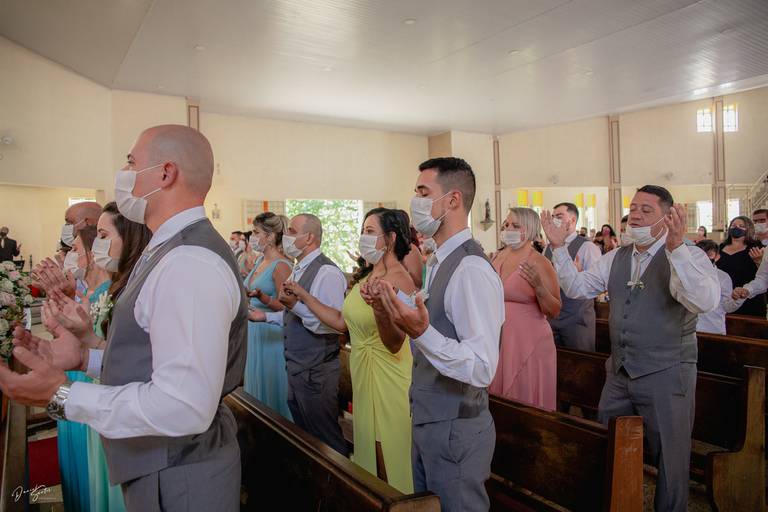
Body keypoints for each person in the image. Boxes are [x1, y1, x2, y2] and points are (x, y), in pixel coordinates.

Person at [0, 124, 248, 511]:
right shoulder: (166, 249)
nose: (124, 173)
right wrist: (86, 358)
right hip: (162, 462)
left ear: (166, 173)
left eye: (131, 162)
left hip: (180, 472)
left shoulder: (188, 261)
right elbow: (154, 359)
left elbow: (183, 404)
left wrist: (62, 394)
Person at [541, 185, 719, 512]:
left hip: (667, 371)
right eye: (633, 208)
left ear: (667, 218)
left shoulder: (689, 254)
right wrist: (558, 248)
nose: (635, 215)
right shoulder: (617, 257)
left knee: (670, 457)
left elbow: (704, 301)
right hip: (621, 371)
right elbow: (578, 287)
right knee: (609, 445)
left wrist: (676, 248)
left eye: (646, 210)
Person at [365, 157, 504, 512]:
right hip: (430, 418)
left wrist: (422, 332)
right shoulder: (439, 260)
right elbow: (440, 320)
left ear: (453, 200)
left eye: (423, 193)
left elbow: (482, 366)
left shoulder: (471, 268)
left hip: (456, 427)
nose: (416, 202)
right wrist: (388, 302)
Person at [284, 208, 416, 492]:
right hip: (362, 370)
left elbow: (396, 342)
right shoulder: (369, 275)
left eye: (370, 231)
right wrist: (303, 296)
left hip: (387, 373)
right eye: (362, 231)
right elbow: (341, 321)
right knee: (368, 453)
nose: (362, 237)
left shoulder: (399, 279)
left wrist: (380, 308)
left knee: (387, 454)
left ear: (391, 238)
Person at [44, 201, 152, 512]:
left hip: (123, 399)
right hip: (102, 385)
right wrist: (80, 337)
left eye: (104, 236)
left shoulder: (132, 291)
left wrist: (86, 345)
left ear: (130, 238)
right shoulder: (118, 287)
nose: (95, 247)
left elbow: (137, 361)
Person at [250, 213, 349, 456]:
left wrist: (295, 305)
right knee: (305, 438)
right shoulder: (299, 269)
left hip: (316, 369)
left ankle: (336, 481)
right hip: (297, 366)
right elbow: (293, 315)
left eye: (292, 231)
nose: (286, 236)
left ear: (310, 238)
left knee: (326, 440)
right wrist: (266, 317)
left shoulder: (327, 272)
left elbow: (331, 325)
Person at [491, 208, 560, 409]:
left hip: (528, 341)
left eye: (515, 225)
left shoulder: (539, 262)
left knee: (524, 397)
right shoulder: (497, 257)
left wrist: (539, 287)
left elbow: (554, 309)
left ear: (529, 229)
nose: (508, 229)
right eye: (506, 224)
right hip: (499, 338)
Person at [243, 212, 293, 419]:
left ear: (270, 236)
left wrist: (263, 299)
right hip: (255, 333)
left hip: (271, 334)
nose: (253, 237)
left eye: (256, 232)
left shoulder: (281, 265)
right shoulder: (260, 261)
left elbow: (288, 308)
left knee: (271, 393)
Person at [543, 202, 601, 352]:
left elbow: (597, 283)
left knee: (580, 362)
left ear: (573, 220)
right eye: (553, 217)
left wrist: (578, 275)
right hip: (552, 316)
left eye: (559, 216)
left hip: (577, 319)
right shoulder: (547, 248)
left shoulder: (587, 247)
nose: (555, 220)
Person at [717, 216, 766, 317]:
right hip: (724, 299)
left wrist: (758, 261)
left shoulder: (756, 247)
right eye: (733, 225)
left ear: (748, 229)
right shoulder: (720, 248)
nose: (736, 228)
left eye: (741, 226)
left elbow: (763, 275)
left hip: (748, 298)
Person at [695, 239, 740, 335]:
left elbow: (727, 307)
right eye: (701, 254)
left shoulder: (723, 277)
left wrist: (737, 299)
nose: (704, 258)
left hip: (713, 329)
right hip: (689, 330)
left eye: (709, 254)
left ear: (717, 257)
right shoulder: (688, 273)